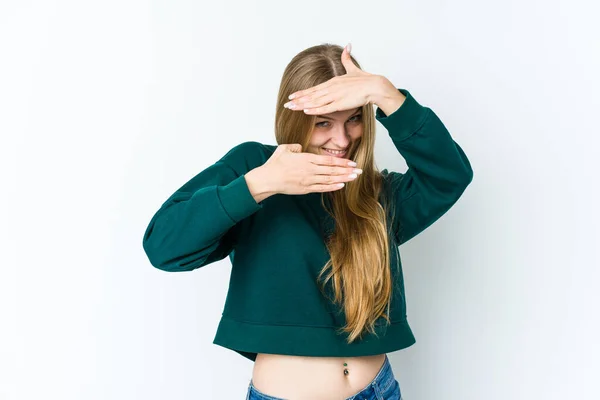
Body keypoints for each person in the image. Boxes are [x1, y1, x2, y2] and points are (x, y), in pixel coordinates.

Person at [142, 42, 473, 400]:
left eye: (354, 119)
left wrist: (386, 95)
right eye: (323, 123)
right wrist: (261, 185)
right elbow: (164, 246)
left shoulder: (374, 193)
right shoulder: (255, 167)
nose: (341, 139)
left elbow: (449, 175)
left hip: (379, 388)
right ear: (294, 119)